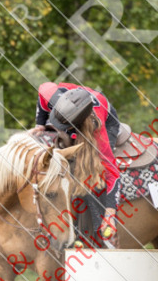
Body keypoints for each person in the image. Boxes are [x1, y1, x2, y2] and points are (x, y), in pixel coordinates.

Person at [32, 82, 120, 248]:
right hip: (73, 101)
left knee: (89, 169)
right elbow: (42, 88)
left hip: (106, 116)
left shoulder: (98, 134)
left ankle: (99, 234)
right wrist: (40, 124)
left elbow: (113, 174)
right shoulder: (52, 95)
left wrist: (110, 213)